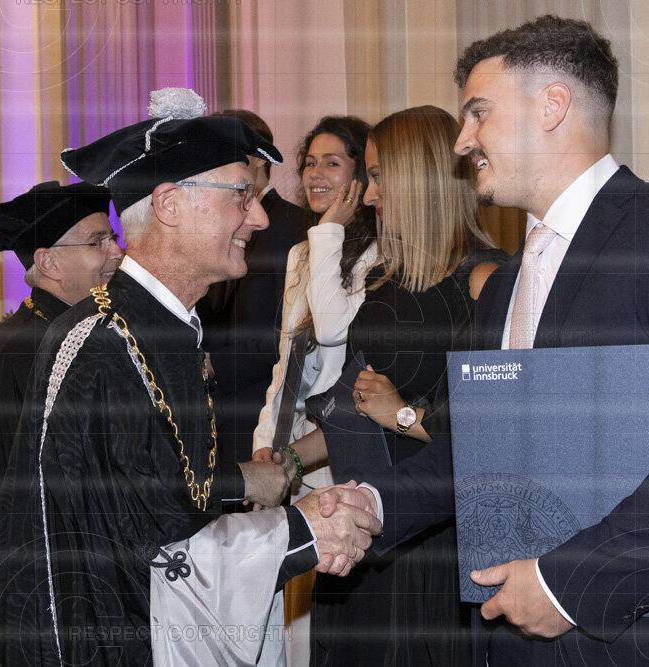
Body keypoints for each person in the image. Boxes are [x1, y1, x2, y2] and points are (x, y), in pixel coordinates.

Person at [323, 15, 649, 665]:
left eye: (478, 114)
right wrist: (370, 502)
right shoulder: (502, 287)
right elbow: (479, 453)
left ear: (552, 105)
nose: (463, 141)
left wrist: (569, 584)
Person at [0, 90, 381, 667]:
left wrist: (266, 498)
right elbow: (144, 539)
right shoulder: (100, 343)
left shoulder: (163, 327)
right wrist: (300, 531)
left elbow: (164, 493)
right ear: (169, 205)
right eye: (241, 195)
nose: (260, 217)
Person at [264, 106, 505, 666]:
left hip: (437, 540)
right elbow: (354, 404)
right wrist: (288, 464)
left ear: (420, 180)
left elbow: (497, 437)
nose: (369, 195)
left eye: (378, 177)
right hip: (364, 537)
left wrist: (403, 417)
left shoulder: (487, 281)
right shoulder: (382, 281)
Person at [250, 114, 379, 665]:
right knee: (289, 613)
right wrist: (266, 441)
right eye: (309, 163)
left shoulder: (382, 253)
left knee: (327, 605)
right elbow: (288, 360)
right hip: (293, 440)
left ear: (362, 176)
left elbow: (331, 329)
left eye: (332, 163)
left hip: (343, 444)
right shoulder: (301, 254)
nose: (315, 175)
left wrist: (328, 231)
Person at [0, 181, 123, 570]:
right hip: (46, 560)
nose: (117, 252)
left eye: (113, 238)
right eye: (97, 242)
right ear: (48, 262)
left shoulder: (81, 327)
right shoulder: (24, 346)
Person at [197, 109, 307, 464]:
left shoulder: (295, 224)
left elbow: (294, 330)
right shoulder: (209, 223)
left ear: (259, 159)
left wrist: (217, 363)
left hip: (258, 411)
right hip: (208, 411)